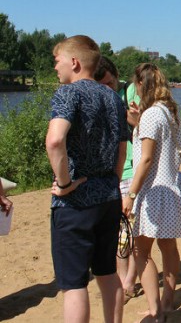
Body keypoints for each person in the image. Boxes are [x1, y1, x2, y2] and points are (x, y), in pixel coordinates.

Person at [46, 35, 128, 323]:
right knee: (108, 273)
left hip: (75, 203)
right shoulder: (113, 97)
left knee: (74, 284)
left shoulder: (68, 94)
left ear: (75, 62)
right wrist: (111, 183)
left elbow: (55, 141)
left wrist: (65, 184)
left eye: (57, 61)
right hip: (109, 197)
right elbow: (121, 150)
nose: (55, 68)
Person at [123, 63, 181, 322]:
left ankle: (155, 310)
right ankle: (168, 302)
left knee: (141, 251)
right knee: (168, 247)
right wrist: (137, 122)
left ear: (141, 85)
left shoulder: (151, 115)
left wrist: (130, 194)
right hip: (172, 189)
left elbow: (146, 159)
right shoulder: (170, 112)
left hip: (154, 192)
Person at [94, 56, 141, 302]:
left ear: (116, 77)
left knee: (130, 229)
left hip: (132, 170)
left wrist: (121, 111)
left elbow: (143, 126)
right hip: (109, 172)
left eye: (110, 84)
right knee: (118, 231)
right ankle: (125, 281)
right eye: (102, 86)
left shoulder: (131, 91)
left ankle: (129, 282)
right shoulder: (94, 97)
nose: (108, 90)